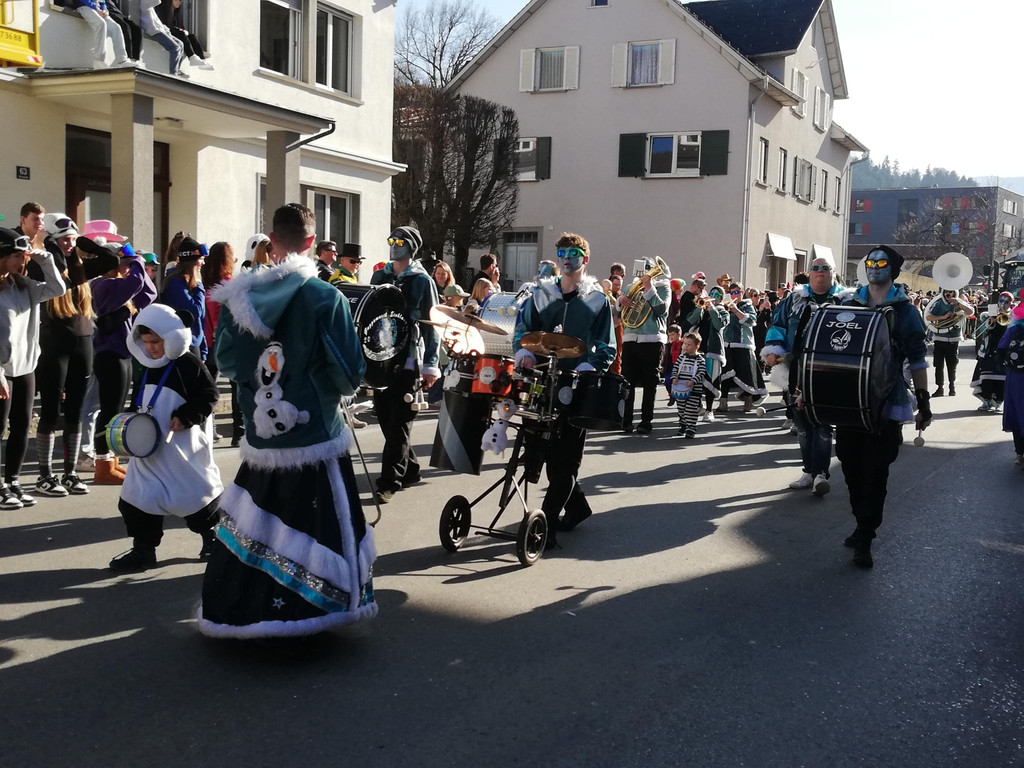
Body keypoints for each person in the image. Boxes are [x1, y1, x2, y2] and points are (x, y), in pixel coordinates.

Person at [199, 202, 376, 638]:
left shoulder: (237, 297)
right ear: (312, 242)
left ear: (271, 239)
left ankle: (244, 610)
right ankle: (315, 610)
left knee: (257, 522)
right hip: (315, 436)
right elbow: (349, 373)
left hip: (261, 439)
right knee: (323, 524)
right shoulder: (325, 297)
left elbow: (227, 362)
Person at [513, 233, 615, 547]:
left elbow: (607, 345)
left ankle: (547, 527)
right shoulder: (542, 294)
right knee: (542, 453)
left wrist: (590, 365)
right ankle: (577, 507)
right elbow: (522, 329)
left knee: (565, 460)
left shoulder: (596, 300)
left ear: (585, 259)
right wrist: (524, 352)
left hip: (576, 385)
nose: (567, 259)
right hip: (542, 381)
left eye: (573, 253)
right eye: (562, 254)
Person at [834, 245, 931, 568]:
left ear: (893, 269)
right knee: (850, 466)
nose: (874, 267)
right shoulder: (849, 304)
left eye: (881, 263)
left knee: (875, 471)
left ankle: (866, 536)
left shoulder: (905, 311)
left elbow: (917, 358)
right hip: (851, 399)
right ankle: (861, 522)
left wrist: (924, 399)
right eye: (870, 262)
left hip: (887, 399)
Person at [109, 304, 223, 571]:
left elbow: (209, 395)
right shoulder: (146, 364)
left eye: (156, 342)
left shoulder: (188, 363)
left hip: (179, 446)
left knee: (193, 494)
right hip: (148, 451)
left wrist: (186, 416)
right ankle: (143, 550)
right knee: (138, 497)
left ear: (171, 337)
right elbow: (140, 398)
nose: (151, 348)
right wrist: (131, 424)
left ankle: (212, 538)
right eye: (146, 342)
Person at [761, 256, 844, 495]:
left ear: (832, 272)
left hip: (828, 370)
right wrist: (774, 349)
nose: (820, 272)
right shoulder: (794, 299)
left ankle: (821, 475)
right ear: (809, 273)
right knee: (803, 426)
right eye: (815, 268)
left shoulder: (845, 300)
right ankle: (808, 472)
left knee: (823, 424)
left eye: (825, 268)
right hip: (795, 367)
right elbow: (778, 325)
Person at [369, 225, 440, 503]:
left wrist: (431, 365)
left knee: (400, 422)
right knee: (385, 418)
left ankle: (389, 482)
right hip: (380, 358)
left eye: (400, 242)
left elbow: (433, 325)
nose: (394, 245)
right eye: (392, 240)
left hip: (408, 360)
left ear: (412, 248)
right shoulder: (380, 275)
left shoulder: (422, 281)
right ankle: (409, 469)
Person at [0, 229, 67, 509]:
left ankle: (13, 481)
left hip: (26, 367)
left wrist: (46, 259)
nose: (22, 261)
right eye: (16, 256)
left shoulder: (24, 285)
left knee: (21, 427)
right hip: (2, 371)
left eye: (23, 256)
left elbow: (58, 289)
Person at [33, 215, 99, 497]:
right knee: (50, 412)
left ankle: (70, 472)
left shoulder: (79, 265)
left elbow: (110, 258)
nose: (70, 244)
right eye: (64, 239)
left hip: (83, 343)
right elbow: (52, 262)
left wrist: (81, 242)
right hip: (54, 345)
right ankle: (45, 475)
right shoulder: (45, 265)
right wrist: (52, 247)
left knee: (75, 412)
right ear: (51, 240)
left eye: (73, 239)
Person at [90, 238, 157, 485]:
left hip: (123, 353)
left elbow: (149, 292)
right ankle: (102, 463)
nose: (129, 268)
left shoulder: (120, 287)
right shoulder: (103, 284)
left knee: (116, 411)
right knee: (109, 410)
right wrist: (137, 259)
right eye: (124, 263)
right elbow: (137, 283)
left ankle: (111, 459)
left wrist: (132, 262)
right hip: (109, 355)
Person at [618, 258, 670, 434]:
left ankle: (646, 421)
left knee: (650, 382)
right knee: (627, 381)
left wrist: (649, 289)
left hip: (652, 340)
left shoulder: (663, 287)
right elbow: (618, 313)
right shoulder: (630, 287)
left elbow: (662, 310)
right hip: (630, 338)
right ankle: (626, 420)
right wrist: (621, 301)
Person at [201, 241, 243, 446]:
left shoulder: (206, 282)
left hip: (209, 341)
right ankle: (239, 432)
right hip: (229, 341)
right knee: (237, 387)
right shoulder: (228, 283)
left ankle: (207, 429)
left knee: (207, 387)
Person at [718, 282, 767, 413]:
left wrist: (736, 310)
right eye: (732, 292)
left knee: (746, 374)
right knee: (726, 374)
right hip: (727, 343)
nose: (734, 295)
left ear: (742, 292)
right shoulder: (725, 305)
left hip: (743, 344)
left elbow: (751, 321)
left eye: (737, 292)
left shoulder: (747, 305)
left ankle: (748, 400)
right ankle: (723, 402)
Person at [160, 236, 207, 360]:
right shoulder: (176, 282)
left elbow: (200, 321)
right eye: (201, 259)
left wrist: (203, 349)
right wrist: (199, 285)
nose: (203, 263)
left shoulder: (190, 282)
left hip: (193, 344)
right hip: (181, 345)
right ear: (192, 262)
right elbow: (195, 311)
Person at [926, 288, 974, 397]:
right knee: (938, 365)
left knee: (952, 364)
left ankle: (952, 387)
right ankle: (940, 388)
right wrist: (943, 317)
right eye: (947, 292)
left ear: (954, 292)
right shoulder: (939, 303)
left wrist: (958, 303)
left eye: (951, 292)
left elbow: (970, 312)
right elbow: (928, 317)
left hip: (953, 338)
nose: (948, 294)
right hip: (939, 338)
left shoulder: (959, 302)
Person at [971, 292, 1013, 411]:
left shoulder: (1014, 315)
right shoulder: (988, 314)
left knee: (1002, 378)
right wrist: (991, 320)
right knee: (986, 377)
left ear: (1010, 303)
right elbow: (983, 331)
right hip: (988, 350)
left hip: (1004, 351)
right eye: (1001, 300)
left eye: (1006, 301)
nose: (1003, 303)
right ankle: (987, 400)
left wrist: (1006, 316)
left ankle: (999, 401)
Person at [997, 303, 1024, 465]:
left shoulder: (1014, 329)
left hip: (1016, 377)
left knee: (1016, 410)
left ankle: (1020, 452)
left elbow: (1001, 349)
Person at [71, 0, 132, 68]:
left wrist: (104, 10)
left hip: (97, 7)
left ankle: (121, 60)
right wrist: (96, 8)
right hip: (83, 6)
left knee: (116, 27)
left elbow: (103, 1)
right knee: (101, 24)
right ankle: (98, 60)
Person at [156, 0, 213, 69]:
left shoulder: (176, 13)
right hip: (166, 32)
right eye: (177, 0)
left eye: (180, 0)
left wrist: (183, 30)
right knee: (181, 34)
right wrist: (179, 30)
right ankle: (192, 57)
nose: (179, 2)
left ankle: (202, 59)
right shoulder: (162, 10)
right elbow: (164, 25)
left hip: (175, 32)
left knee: (192, 36)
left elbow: (180, 26)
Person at [671, 331, 706, 439]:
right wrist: (674, 378)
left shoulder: (700, 360)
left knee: (690, 410)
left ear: (696, 346)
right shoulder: (681, 357)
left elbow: (701, 373)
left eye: (689, 344)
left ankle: (691, 428)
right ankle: (683, 425)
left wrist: (693, 381)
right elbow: (675, 369)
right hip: (681, 389)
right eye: (685, 344)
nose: (686, 346)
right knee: (681, 409)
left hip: (694, 390)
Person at [138, 0, 187, 77]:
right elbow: (156, 1)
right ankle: (173, 72)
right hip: (154, 31)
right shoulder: (144, 3)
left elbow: (157, 21)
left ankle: (177, 69)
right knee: (175, 47)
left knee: (181, 44)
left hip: (160, 30)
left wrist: (165, 29)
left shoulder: (150, 7)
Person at [661, 323, 683, 406]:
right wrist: (663, 365)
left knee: (679, 382)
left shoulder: (683, 344)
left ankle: (680, 396)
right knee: (667, 381)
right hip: (671, 366)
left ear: (679, 334)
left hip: (680, 366)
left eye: (673, 335)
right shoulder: (668, 346)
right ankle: (671, 395)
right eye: (669, 335)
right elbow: (665, 356)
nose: (670, 337)